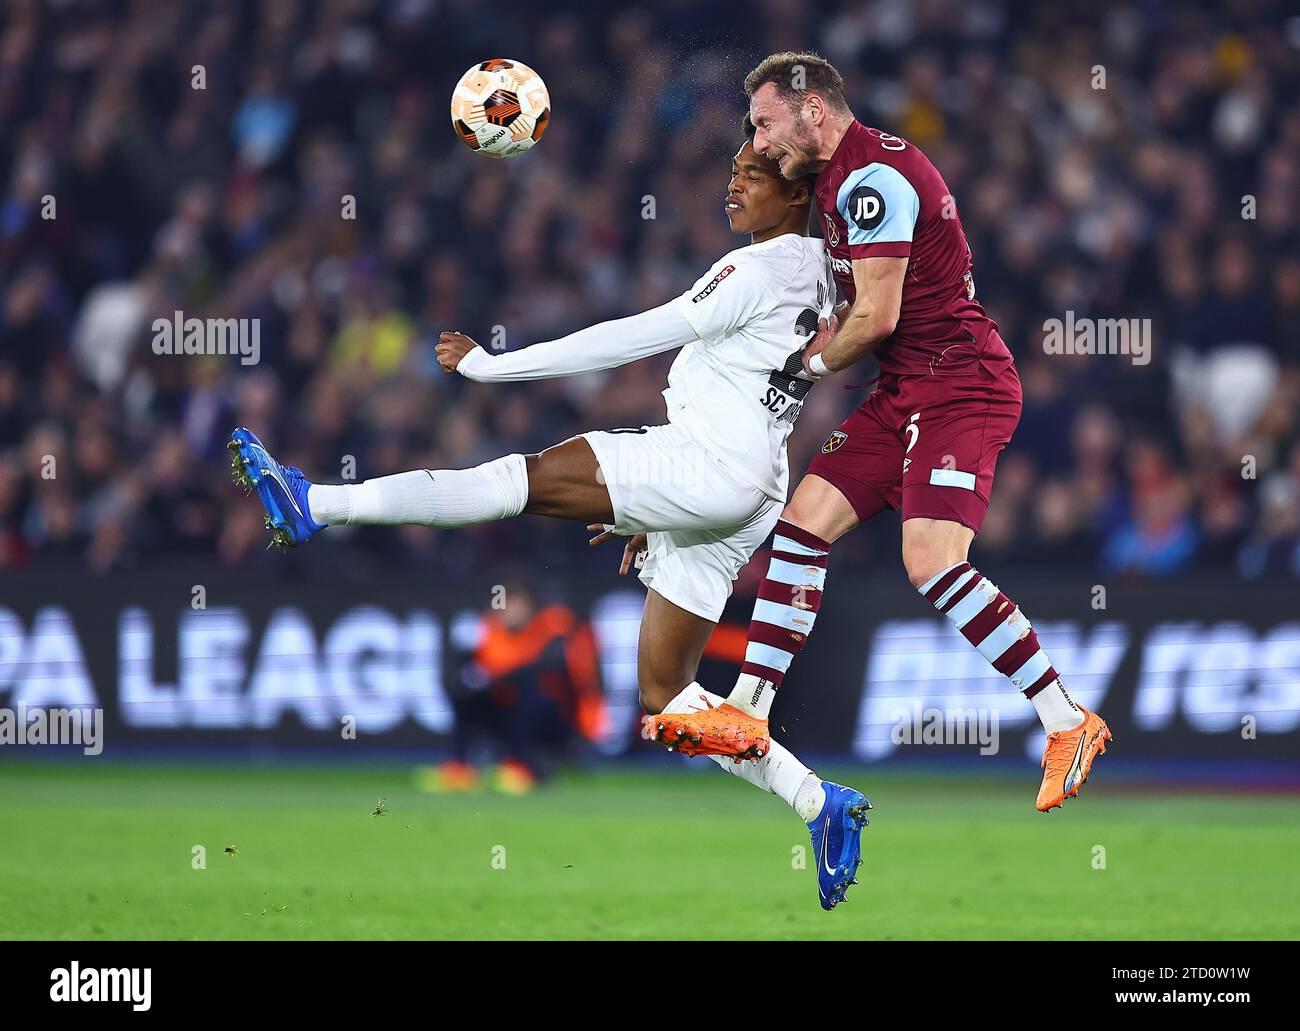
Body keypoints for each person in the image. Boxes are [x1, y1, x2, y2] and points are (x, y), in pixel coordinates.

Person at [228, 122, 870, 909]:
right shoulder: (821, 271)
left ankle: (317, 503)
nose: (732, 185)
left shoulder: (758, 268)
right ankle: (819, 803)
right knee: (668, 695)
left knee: (517, 478)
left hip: (707, 462)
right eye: (732, 171)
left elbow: (626, 338)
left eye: (751, 175)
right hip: (751, 484)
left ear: (799, 193)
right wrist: (660, 510)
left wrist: (494, 366)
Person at [652, 53, 1111, 813]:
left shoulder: (871, 180)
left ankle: (1067, 718)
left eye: (765, 124)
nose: (759, 143)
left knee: (930, 561)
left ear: (814, 111)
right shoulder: (837, 182)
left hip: (961, 385)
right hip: (905, 390)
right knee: (802, 525)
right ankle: (751, 709)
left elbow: (879, 316)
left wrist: (806, 366)